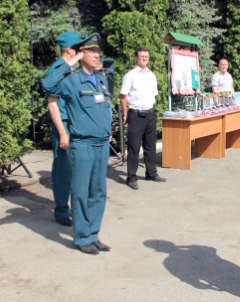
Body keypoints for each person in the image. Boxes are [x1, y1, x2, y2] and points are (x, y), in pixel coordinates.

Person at [43, 33, 112, 255]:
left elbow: (104, 107)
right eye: (91, 51)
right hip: (81, 145)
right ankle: (82, 237)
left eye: (97, 51)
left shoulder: (101, 80)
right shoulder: (72, 80)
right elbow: (48, 85)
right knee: (81, 192)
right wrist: (70, 61)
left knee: (99, 192)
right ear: (81, 54)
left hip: (101, 144)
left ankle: (93, 234)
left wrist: (108, 129)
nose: (96, 55)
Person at [45, 31, 81, 227]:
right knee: (62, 170)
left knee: (74, 169)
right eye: (78, 46)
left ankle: (73, 208)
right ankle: (61, 211)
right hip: (64, 125)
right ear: (69, 49)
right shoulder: (57, 69)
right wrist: (62, 132)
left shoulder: (71, 69)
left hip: (75, 124)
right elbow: (52, 104)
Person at [120, 47, 166, 191]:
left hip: (150, 114)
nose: (144, 58)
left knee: (150, 145)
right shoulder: (130, 76)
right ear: (136, 58)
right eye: (141, 56)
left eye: (146, 56)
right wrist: (125, 113)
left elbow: (153, 95)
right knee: (134, 147)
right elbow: (123, 96)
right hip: (136, 115)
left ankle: (151, 173)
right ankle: (131, 177)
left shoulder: (152, 75)